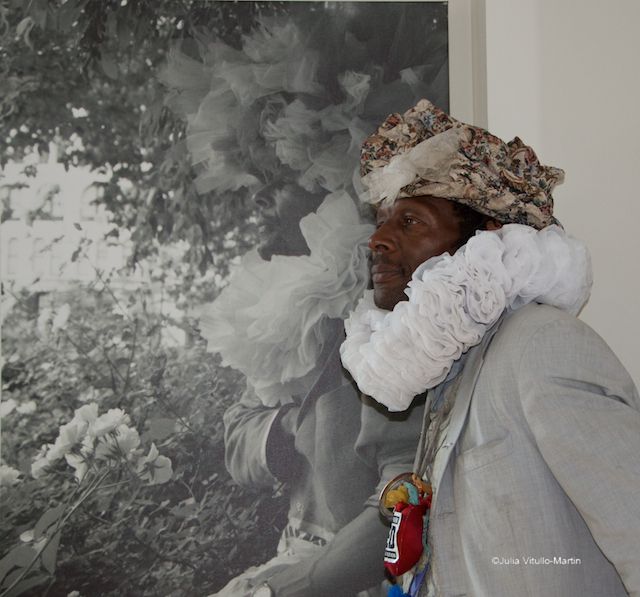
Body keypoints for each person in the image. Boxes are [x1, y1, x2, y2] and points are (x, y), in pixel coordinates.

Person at [339, 99, 640, 596]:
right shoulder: (451, 368)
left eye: (409, 221)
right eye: (382, 221)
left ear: (488, 237)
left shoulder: (542, 344)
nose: (379, 240)